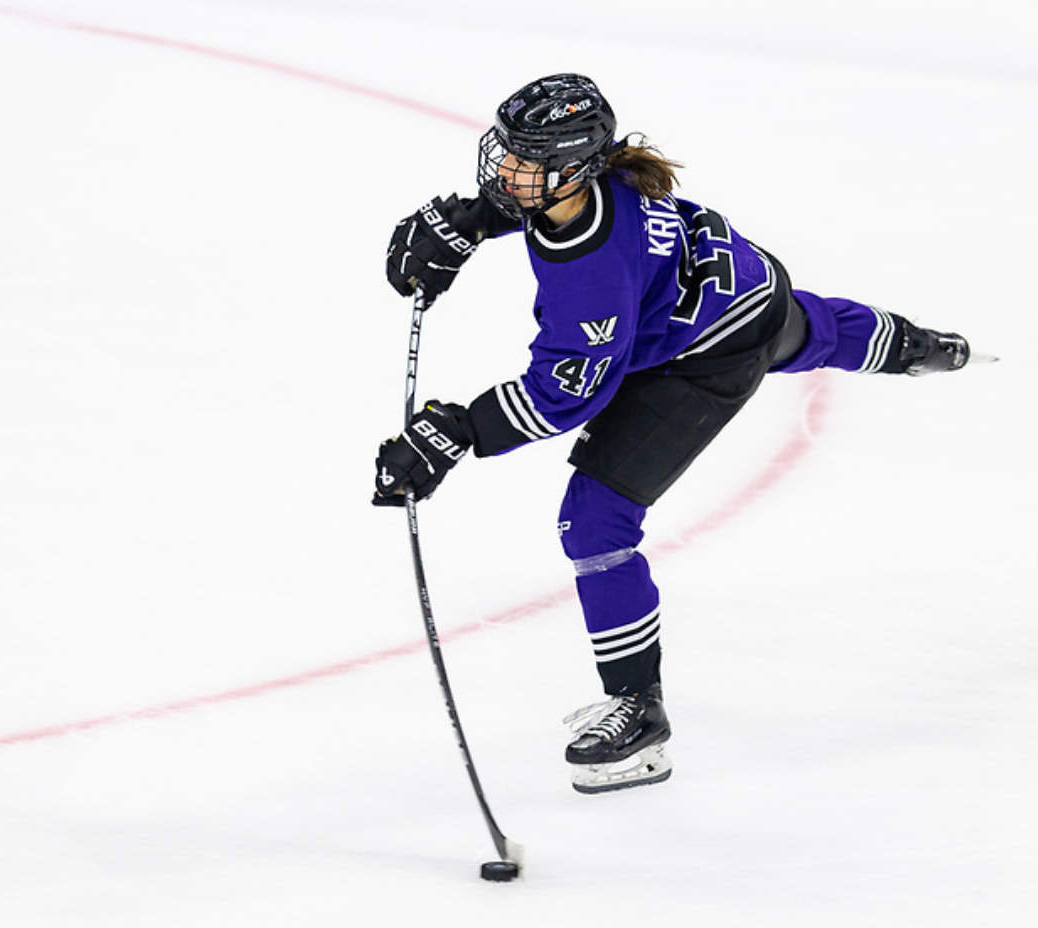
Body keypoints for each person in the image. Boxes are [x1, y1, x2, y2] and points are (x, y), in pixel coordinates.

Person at [373, 74, 977, 794]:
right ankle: (922, 347)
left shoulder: (591, 281)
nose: (505, 172)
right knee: (808, 328)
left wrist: (462, 430)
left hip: (705, 355)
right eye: (504, 153)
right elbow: (542, 214)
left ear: (574, 166)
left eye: (525, 162)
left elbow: (567, 395)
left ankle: (639, 713)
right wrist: (474, 218)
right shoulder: (593, 183)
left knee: (594, 524)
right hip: (742, 284)